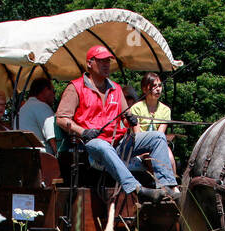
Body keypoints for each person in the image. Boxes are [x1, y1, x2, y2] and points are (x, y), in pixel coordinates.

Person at [54, 45, 177, 203]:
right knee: (101, 145)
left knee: (158, 137)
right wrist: (83, 132)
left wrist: (131, 120)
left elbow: (126, 117)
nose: (106, 65)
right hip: (91, 145)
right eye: (101, 61)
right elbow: (62, 119)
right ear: (89, 64)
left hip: (118, 143)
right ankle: (136, 188)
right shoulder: (76, 87)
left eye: (108, 61)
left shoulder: (116, 89)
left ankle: (167, 188)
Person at [15, 77, 56, 151]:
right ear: (46, 90)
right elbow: (53, 139)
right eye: (53, 91)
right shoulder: (42, 107)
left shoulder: (22, 109)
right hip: (42, 157)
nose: (54, 96)